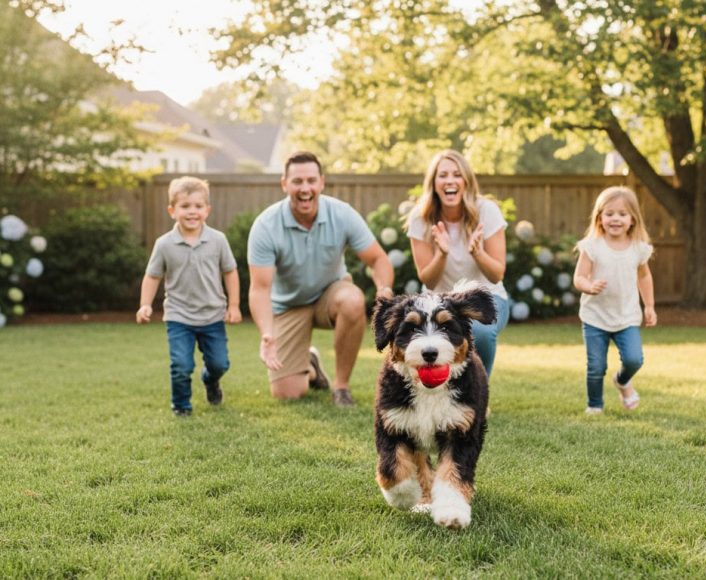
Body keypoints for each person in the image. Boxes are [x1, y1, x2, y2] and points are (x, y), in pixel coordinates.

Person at [247, 151, 394, 407]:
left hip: (330, 295)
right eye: (297, 181)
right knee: (287, 392)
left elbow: (377, 259)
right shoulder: (266, 225)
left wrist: (384, 289)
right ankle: (312, 367)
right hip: (288, 306)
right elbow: (260, 289)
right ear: (284, 184)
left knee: (353, 300)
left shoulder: (342, 214)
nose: (305, 188)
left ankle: (341, 387)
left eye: (311, 181)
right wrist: (267, 334)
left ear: (321, 182)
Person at [136, 176, 242, 417]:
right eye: (185, 206)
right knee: (181, 366)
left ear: (207, 210)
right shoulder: (164, 244)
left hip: (212, 316)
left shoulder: (218, 240)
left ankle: (210, 380)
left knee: (219, 364)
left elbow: (230, 271)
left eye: (198, 206)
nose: (192, 211)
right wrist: (145, 305)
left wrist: (234, 305)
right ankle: (181, 406)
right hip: (179, 316)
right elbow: (152, 276)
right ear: (172, 211)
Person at [406, 149, 509, 378]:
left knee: (480, 332)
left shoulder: (487, 211)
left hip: (487, 296)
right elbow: (428, 280)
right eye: (443, 175)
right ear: (433, 183)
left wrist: (478, 253)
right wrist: (441, 254)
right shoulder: (420, 217)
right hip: (438, 300)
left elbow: (497, 274)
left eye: (457, 174)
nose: (450, 180)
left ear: (466, 181)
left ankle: (480, 386)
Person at [573, 186, 656, 415]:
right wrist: (588, 286)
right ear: (600, 217)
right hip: (595, 317)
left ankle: (622, 380)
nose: (615, 219)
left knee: (634, 359)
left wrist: (649, 305)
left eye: (622, 214)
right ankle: (595, 405)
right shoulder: (592, 247)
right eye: (609, 214)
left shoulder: (638, 249)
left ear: (632, 219)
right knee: (596, 367)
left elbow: (644, 277)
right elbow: (579, 277)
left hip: (626, 317)